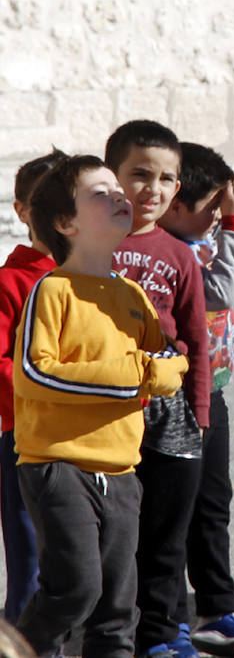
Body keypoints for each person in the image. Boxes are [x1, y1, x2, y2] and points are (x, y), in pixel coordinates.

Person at [13, 154, 188, 656]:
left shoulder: (133, 293)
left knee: (117, 608)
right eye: (99, 192)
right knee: (75, 590)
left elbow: (169, 364)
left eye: (118, 189)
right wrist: (143, 374)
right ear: (66, 223)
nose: (119, 196)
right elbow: (36, 373)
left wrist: (157, 372)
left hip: (122, 471)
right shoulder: (52, 290)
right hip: (58, 464)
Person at [105, 120, 211, 658]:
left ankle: (160, 637)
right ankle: (109, 636)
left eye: (166, 178)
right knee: (111, 536)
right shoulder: (84, 245)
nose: (153, 188)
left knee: (166, 538)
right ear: (112, 176)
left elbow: (196, 337)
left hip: (169, 412)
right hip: (101, 411)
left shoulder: (179, 254)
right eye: (139, 174)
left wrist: (200, 412)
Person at [158, 143, 234, 654]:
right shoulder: (163, 248)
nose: (220, 216)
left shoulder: (203, 236)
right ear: (177, 205)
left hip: (211, 392)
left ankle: (217, 607)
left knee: (212, 506)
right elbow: (220, 291)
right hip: (170, 397)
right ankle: (169, 617)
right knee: (173, 512)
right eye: (211, 207)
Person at [0, 149, 65, 624]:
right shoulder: (11, 281)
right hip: (25, 437)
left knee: (78, 564)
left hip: (87, 442)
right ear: (22, 211)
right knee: (31, 566)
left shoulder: (90, 278)